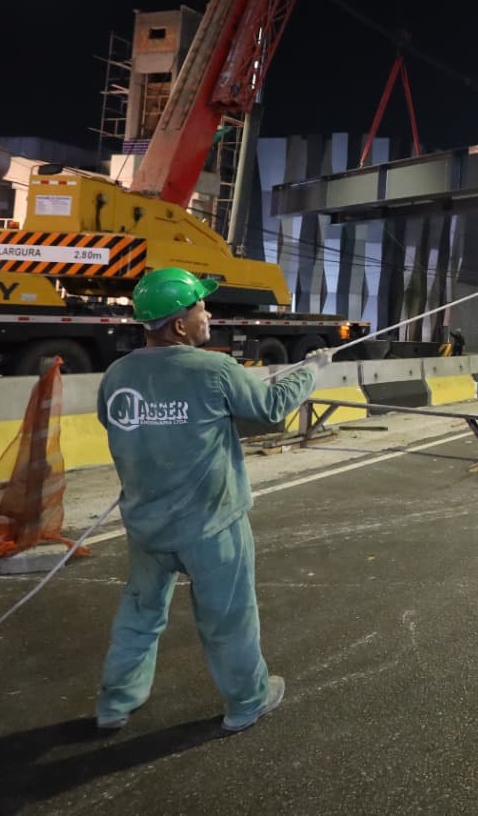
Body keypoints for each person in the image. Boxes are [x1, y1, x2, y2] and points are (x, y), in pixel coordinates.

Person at [93, 267, 327, 734]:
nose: (209, 315)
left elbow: (113, 422)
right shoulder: (215, 370)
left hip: (146, 526)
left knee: (140, 614)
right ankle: (247, 701)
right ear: (180, 325)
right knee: (229, 617)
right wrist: (311, 371)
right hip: (211, 524)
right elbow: (270, 409)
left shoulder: (118, 375)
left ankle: (115, 703)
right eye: (201, 308)